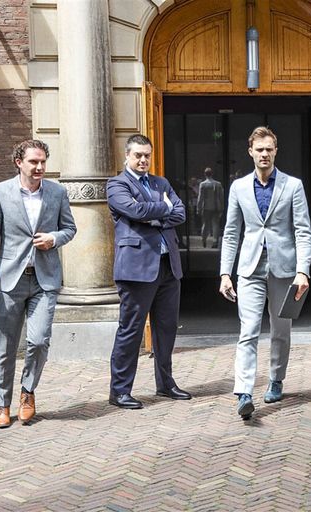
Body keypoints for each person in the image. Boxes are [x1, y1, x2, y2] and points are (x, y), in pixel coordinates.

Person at [0, 139, 77, 428]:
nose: (40, 166)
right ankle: (2, 404)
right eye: (33, 161)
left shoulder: (57, 191)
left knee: (39, 340)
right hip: (10, 281)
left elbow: (70, 228)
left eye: (43, 161)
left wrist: (54, 238)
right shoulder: (0, 192)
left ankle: (27, 393)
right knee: (5, 346)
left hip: (44, 280)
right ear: (19, 162)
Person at [219, 126, 311, 419]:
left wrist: (303, 271)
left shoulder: (292, 185)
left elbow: (303, 231)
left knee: (280, 332)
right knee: (248, 331)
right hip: (249, 269)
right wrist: (225, 273)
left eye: (269, 149)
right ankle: (244, 391)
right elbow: (231, 233)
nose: (264, 154)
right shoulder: (239, 187)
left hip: (284, 269)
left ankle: (276, 379)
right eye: (259, 149)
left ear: (275, 151)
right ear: (250, 152)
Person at [106, 134, 191, 409]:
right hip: (136, 270)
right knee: (130, 331)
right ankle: (119, 391)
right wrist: (162, 208)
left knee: (166, 329)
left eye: (147, 156)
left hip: (168, 267)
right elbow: (132, 210)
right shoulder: (117, 184)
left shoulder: (161, 183)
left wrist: (154, 213)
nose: (143, 160)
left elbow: (180, 213)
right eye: (138, 155)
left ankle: (165, 384)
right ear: (127, 157)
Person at [197, 167, 225, 248]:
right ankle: (215, 241)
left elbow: (200, 198)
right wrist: (222, 207)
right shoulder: (218, 184)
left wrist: (198, 208)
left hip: (206, 207)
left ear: (205, 174)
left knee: (205, 224)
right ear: (212, 174)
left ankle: (204, 239)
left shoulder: (203, 184)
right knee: (215, 224)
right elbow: (221, 197)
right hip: (216, 207)